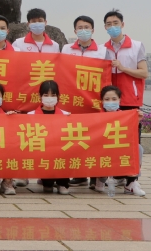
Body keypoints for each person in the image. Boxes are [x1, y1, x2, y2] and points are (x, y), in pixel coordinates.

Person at [103, 10, 148, 197]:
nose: (112, 27)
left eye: (115, 23)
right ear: (105, 27)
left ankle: (132, 181)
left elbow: (144, 72)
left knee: (132, 141)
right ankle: (116, 175)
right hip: (109, 102)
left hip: (130, 100)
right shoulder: (103, 48)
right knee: (111, 140)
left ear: (122, 24)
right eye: (108, 24)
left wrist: (122, 68)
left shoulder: (136, 46)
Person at [62, 15, 108, 187]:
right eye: (80, 28)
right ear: (75, 31)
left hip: (93, 102)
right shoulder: (66, 49)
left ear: (93, 30)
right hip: (72, 102)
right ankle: (79, 175)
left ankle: (95, 176)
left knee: (93, 139)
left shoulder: (102, 51)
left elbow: (105, 77)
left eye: (87, 27)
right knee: (74, 138)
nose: (83, 30)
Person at [28, 80, 70, 195]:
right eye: (46, 95)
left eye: (53, 95)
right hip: (42, 155)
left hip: (60, 154)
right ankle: (46, 180)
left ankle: (63, 182)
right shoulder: (30, 115)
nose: (49, 98)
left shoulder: (67, 115)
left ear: (58, 96)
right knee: (48, 189)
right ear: (40, 96)